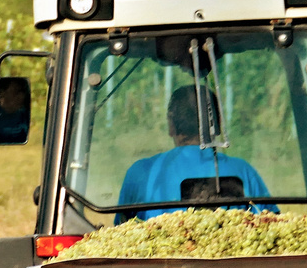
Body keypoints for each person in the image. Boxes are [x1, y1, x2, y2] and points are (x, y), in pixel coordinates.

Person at [116, 84, 275, 222]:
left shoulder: (140, 173)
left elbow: (122, 232)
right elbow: (271, 222)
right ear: (217, 125)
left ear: (171, 126)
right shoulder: (243, 171)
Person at [0, 77, 31, 144]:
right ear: (2, 92)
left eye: (23, 92)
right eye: (16, 92)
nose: (21, 96)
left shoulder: (25, 115)